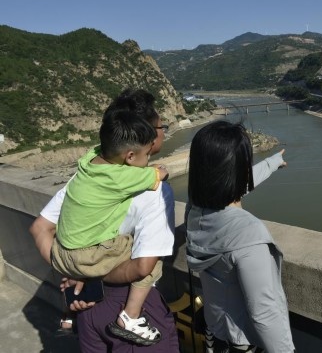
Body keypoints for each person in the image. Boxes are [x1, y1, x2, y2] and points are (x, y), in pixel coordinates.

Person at [29, 88, 180, 352]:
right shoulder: (155, 191)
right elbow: (143, 266)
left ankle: (67, 317)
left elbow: (39, 227)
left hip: (88, 307)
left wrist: (76, 274)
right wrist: (92, 275)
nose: (163, 131)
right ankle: (130, 318)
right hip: (130, 304)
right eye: (160, 126)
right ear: (147, 137)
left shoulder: (87, 174)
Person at [185, 121, 295, 353]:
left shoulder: (195, 210)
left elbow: (233, 184)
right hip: (243, 345)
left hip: (215, 337)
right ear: (240, 171)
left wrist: (271, 163)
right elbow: (265, 312)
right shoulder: (248, 235)